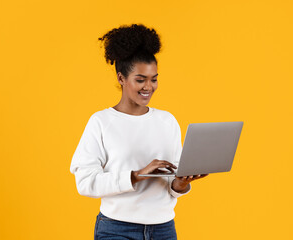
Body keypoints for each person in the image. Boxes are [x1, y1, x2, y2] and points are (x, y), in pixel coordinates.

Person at [70, 23, 208, 240]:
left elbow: (171, 183)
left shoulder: (167, 121)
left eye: (154, 79)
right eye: (140, 80)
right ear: (121, 78)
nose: (148, 87)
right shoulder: (101, 122)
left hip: (163, 228)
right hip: (117, 228)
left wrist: (181, 183)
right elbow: (85, 182)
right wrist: (136, 175)